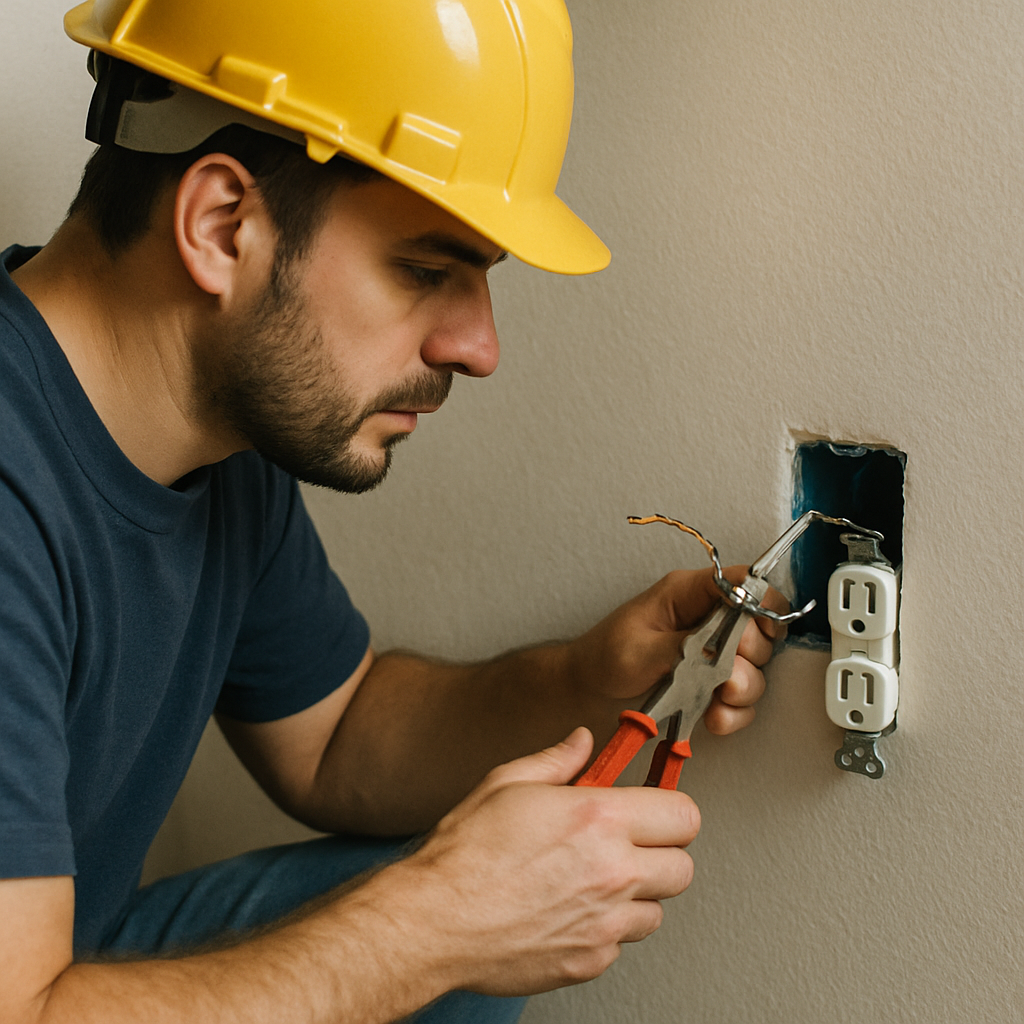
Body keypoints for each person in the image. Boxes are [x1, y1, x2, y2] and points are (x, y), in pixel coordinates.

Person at [0, 1, 787, 1022]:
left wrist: (588, 680)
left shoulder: (212, 437)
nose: (478, 346)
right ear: (220, 226)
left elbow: (335, 738)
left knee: (455, 923)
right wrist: (436, 923)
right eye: (424, 270)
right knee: (436, 929)